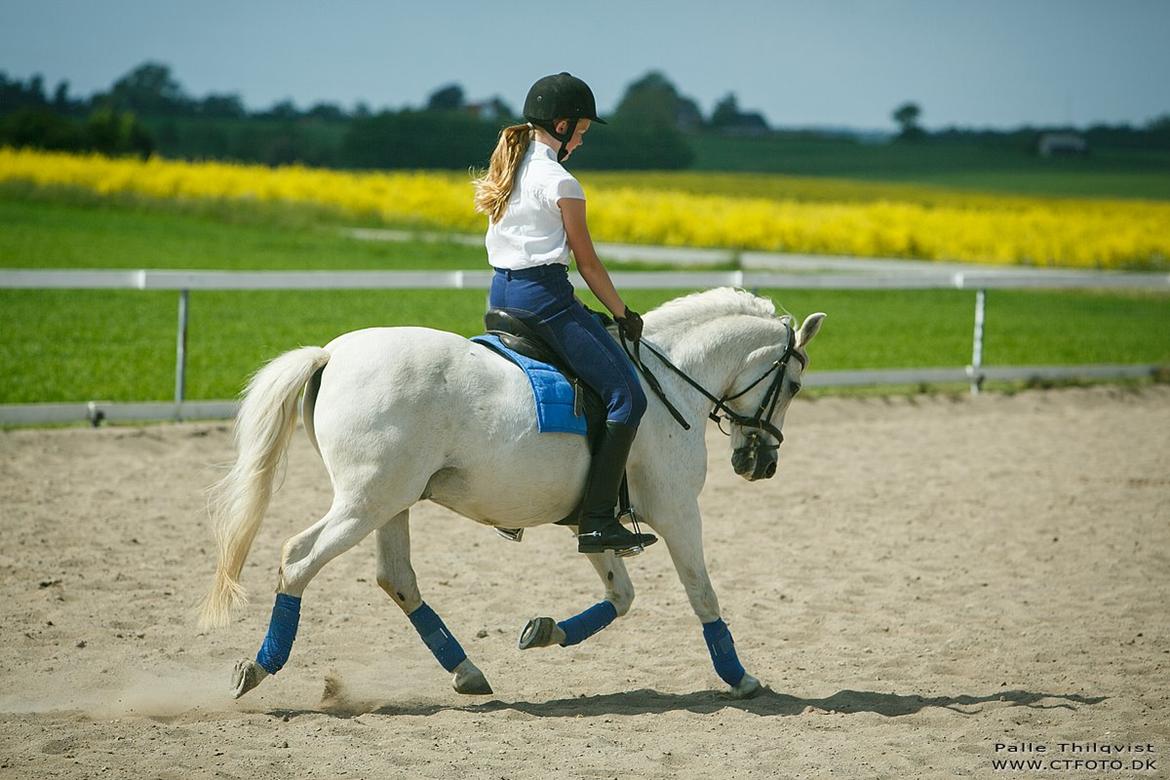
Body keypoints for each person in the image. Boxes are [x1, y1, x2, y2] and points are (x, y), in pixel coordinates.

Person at [472, 72, 657, 556]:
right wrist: (623, 312)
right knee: (626, 397)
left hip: (502, 296)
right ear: (560, 124)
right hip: (545, 300)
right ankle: (597, 519)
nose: (581, 139)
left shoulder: (508, 171)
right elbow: (588, 263)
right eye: (580, 131)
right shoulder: (561, 181)